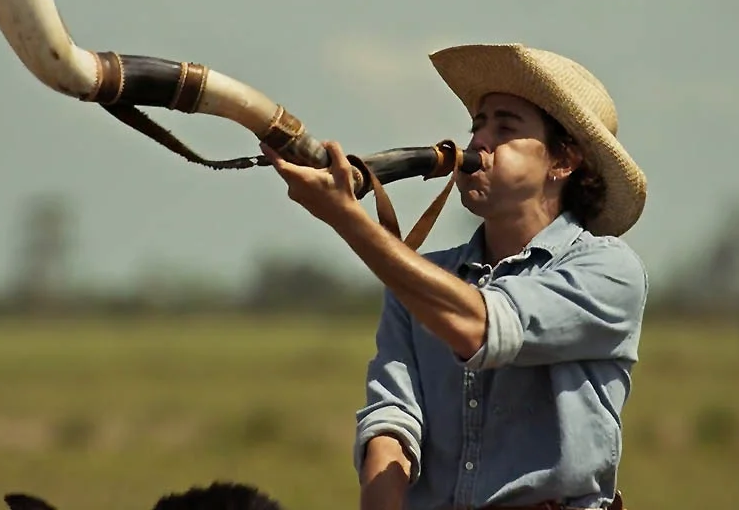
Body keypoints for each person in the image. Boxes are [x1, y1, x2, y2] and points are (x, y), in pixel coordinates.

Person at [260, 43, 648, 510]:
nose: (478, 143)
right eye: (478, 125)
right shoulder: (422, 278)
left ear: (564, 161)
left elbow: (481, 327)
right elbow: (392, 420)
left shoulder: (608, 270)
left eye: (505, 128)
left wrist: (345, 218)